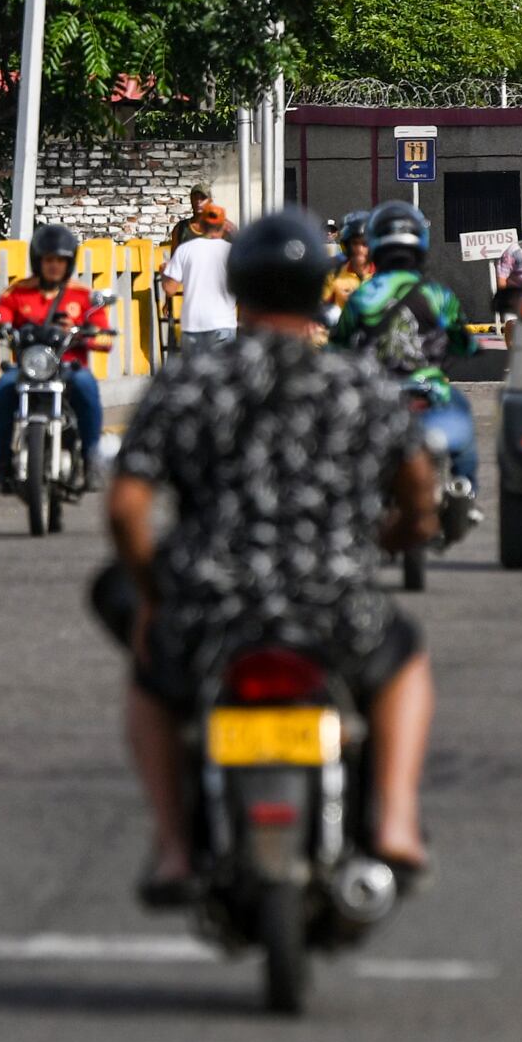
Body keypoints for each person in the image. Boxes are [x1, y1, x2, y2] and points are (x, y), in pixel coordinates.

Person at [100, 205, 439, 900]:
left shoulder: (191, 379)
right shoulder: (356, 381)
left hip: (210, 603)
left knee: (150, 676)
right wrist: (397, 536)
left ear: (239, 288)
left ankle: (171, 848)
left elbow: (127, 505)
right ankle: (397, 823)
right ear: (320, 285)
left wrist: (156, 598)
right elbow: (417, 492)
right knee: (402, 659)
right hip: (332, 603)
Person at [330, 202, 475, 514]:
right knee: (462, 421)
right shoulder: (438, 294)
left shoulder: (364, 296)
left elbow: (338, 343)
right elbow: (463, 340)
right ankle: (465, 491)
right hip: (429, 387)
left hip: (375, 390)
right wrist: (469, 348)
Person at [0, 223, 110, 499]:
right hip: (29, 368)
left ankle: (90, 460)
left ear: (69, 262)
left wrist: (85, 332)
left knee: (87, 386)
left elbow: (102, 332)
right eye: (49, 260)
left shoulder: (82, 295)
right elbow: (1, 312)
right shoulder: (19, 291)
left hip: (68, 367)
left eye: (60, 260)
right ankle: (1, 466)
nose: (54, 266)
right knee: (2, 390)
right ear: (38, 261)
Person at [160, 199, 237, 344]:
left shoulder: (185, 250)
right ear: (223, 226)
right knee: (223, 367)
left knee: (195, 367)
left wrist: (164, 273)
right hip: (223, 324)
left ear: (200, 226)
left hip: (194, 326)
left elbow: (170, 289)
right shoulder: (232, 252)